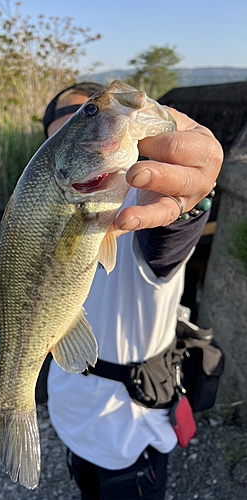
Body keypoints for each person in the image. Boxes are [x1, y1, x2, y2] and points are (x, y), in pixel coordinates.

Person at [43, 82, 223, 500]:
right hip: (68, 412)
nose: (94, 117)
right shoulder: (35, 220)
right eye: (72, 124)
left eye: (88, 114)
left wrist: (193, 200)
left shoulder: (143, 208)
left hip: (130, 426)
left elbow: (171, 236)